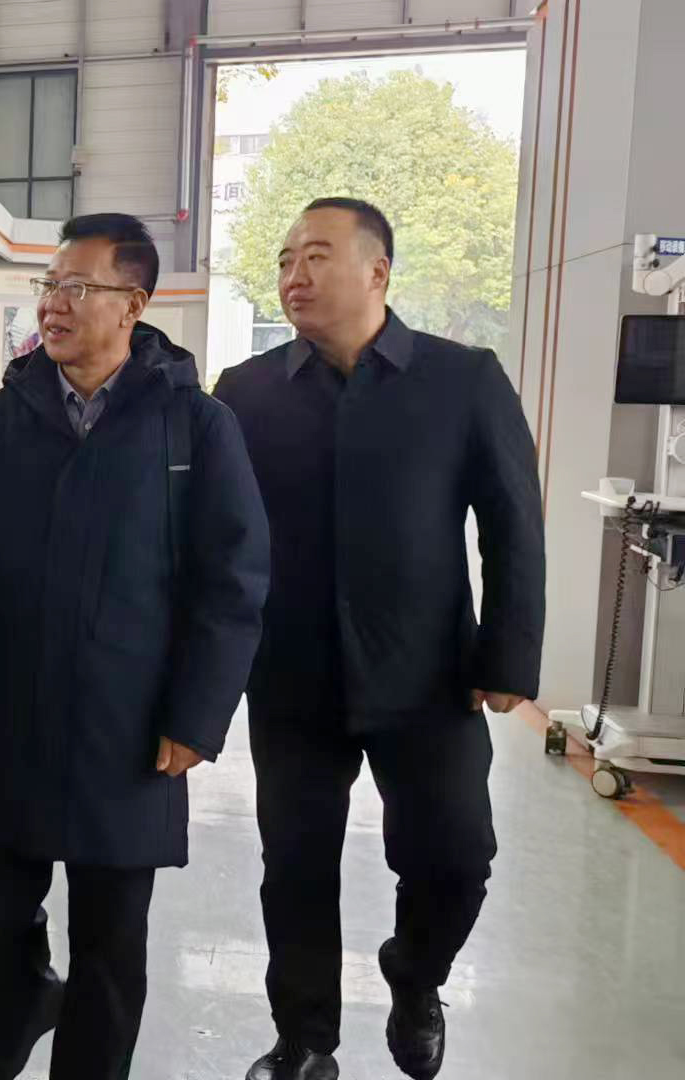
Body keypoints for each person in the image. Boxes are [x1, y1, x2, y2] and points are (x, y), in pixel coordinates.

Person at [0, 213, 270, 1080]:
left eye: (77, 287)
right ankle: (26, 994)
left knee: (111, 939)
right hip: (10, 708)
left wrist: (198, 716)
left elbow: (234, 582)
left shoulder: (194, 426)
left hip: (131, 722)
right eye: (49, 286)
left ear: (133, 305)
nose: (54, 304)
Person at [214, 198, 544, 1080]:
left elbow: (513, 525)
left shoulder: (462, 379)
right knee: (295, 867)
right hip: (292, 677)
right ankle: (304, 1038)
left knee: (456, 857)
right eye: (285, 260)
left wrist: (508, 657)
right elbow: (210, 536)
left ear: (378, 271)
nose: (294, 275)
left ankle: (415, 973)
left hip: (430, 676)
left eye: (316, 256)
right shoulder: (245, 393)